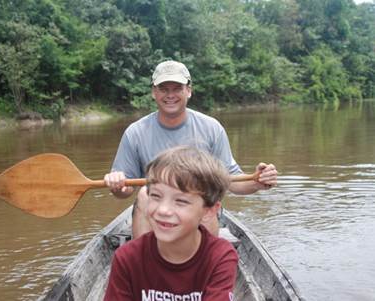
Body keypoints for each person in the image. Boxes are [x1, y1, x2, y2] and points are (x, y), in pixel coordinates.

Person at [104, 60, 278, 237]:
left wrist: (256, 182)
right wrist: (118, 185)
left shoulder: (211, 128)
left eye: (177, 88)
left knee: (205, 195)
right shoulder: (135, 132)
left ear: (188, 91)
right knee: (143, 193)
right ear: (154, 92)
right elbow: (125, 189)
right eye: (164, 89)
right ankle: (143, 260)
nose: (170, 95)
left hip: (197, 210)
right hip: (156, 209)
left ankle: (206, 260)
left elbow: (231, 181)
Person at [103, 146, 238, 301]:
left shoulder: (220, 257)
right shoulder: (127, 257)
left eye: (180, 201)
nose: (163, 210)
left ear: (208, 211)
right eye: (155, 196)